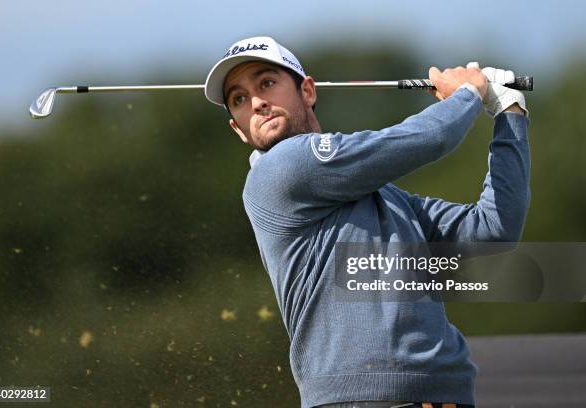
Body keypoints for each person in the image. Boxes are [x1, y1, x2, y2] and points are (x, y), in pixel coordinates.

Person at [204, 36, 530, 408]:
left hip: (447, 394)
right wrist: (469, 93)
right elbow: (433, 136)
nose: (257, 103)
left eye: (266, 83)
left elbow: (494, 231)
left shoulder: (389, 199)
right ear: (239, 129)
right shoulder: (279, 171)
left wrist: (511, 115)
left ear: (307, 91)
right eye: (239, 99)